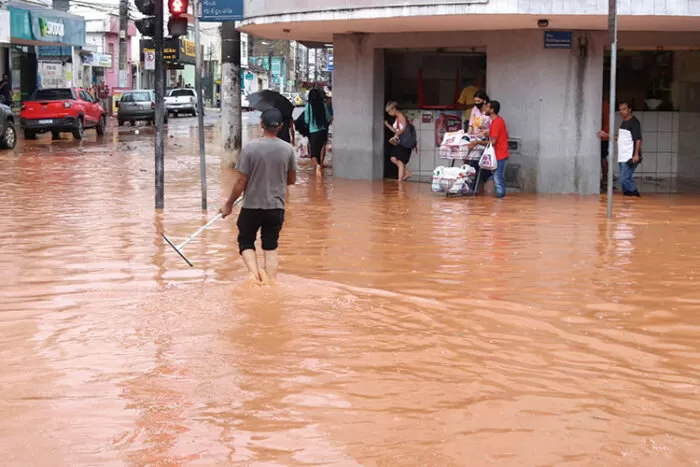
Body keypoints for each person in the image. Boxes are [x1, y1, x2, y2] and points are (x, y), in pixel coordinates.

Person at [219, 108, 297, 284]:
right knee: (270, 247)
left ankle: (254, 276)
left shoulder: (250, 148)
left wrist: (229, 204)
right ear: (281, 126)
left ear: (261, 124)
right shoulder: (288, 149)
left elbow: (240, 182)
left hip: (252, 206)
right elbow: (291, 180)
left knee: (246, 241)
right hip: (276, 207)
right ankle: (270, 282)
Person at [468, 100, 509, 198]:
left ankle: (501, 200)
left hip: (500, 154)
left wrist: (477, 142)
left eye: (486, 107)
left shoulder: (496, 123)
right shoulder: (498, 121)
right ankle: (500, 202)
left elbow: (493, 142)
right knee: (498, 178)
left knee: (498, 179)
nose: (484, 109)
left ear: (492, 110)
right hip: (499, 154)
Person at [614, 101, 643, 197]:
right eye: (620, 110)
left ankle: (635, 195)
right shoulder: (624, 122)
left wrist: (636, 154)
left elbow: (638, 139)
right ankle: (628, 199)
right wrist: (606, 135)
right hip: (622, 156)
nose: (622, 112)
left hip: (630, 156)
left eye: (624, 109)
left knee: (624, 179)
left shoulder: (634, 123)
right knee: (624, 180)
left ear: (629, 110)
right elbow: (622, 137)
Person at [383, 101, 413, 182]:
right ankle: (407, 173)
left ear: (394, 109)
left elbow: (403, 128)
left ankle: (400, 181)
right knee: (394, 159)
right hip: (402, 142)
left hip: (405, 142)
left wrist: (396, 136)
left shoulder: (400, 116)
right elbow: (396, 130)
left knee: (397, 160)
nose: (389, 113)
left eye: (389, 111)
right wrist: (387, 125)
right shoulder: (397, 117)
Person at [304, 88, 331, 176]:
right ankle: (321, 164)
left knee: (313, 153)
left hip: (313, 132)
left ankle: (317, 166)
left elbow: (307, 120)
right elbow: (327, 118)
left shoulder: (308, 105)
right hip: (323, 130)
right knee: (322, 147)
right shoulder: (323, 104)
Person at [596, 94, 611, 189]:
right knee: (604, 157)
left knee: (602, 157)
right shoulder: (607, 104)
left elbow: (600, 120)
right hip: (606, 135)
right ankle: (605, 178)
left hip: (602, 135)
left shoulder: (601, 105)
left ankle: (605, 178)